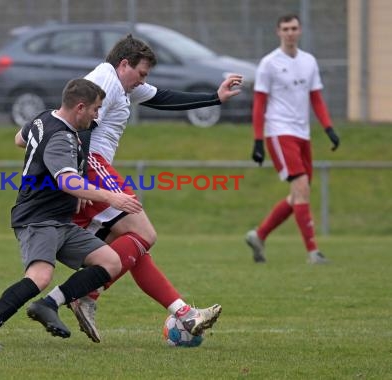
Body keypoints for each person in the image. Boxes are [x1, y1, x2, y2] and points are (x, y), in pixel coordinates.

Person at [20, 34, 243, 343]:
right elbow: (79, 128)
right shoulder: (107, 82)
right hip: (93, 165)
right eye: (141, 73)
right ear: (124, 64)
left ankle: (183, 313)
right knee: (146, 234)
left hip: (93, 168)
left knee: (133, 245)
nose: (143, 81)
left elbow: (162, 97)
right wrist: (80, 181)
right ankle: (82, 295)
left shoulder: (123, 85)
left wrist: (214, 98)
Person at [0, 78, 143, 350]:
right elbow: (66, 181)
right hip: (38, 219)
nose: (97, 115)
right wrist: (111, 196)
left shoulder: (43, 118)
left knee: (110, 262)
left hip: (60, 220)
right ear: (80, 107)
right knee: (40, 277)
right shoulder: (61, 136)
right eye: (95, 109)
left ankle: (49, 305)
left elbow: (19, 139)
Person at [245, 14, 340, 264]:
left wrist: (328, 128)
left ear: (300, 31)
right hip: (279, 131)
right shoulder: (269, 63)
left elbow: (316, 98)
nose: (290, 32)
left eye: (294, 28)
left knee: (299, 194)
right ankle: (313, 252)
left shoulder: (309, 61)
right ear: (278, 32)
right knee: (301, 188)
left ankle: (259, 234)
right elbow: (259, 104)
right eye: (285, 28)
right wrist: (258, 141)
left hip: (303, 134)